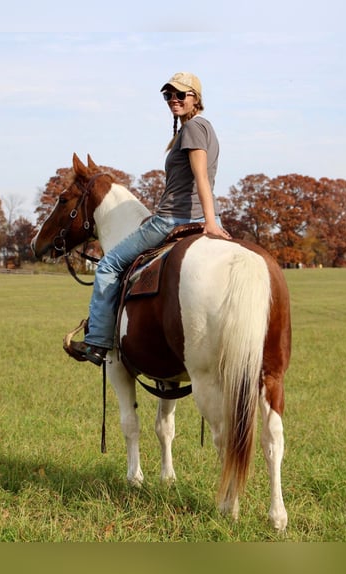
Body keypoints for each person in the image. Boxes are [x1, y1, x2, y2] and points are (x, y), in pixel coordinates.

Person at [67, 71, 231, 365]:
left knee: (108, 265)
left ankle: (97, 344)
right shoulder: (204, 129)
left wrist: (210, 222)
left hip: (173, 219)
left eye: (181, 95)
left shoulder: (193, 129)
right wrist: (213, 217)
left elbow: (201, 177)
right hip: (199, 213)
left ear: (196, 98)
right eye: (168, 95)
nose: (173, 100)